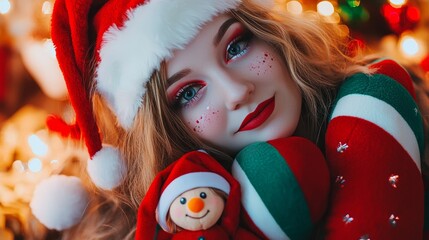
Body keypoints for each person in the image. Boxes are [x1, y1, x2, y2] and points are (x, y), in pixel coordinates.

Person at [35, 0, 427, 239]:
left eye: (237, 46)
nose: (237, 91)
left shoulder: (373, 105)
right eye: (189, 93)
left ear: (271, 36)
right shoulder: (183, 214)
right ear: (168, 129)